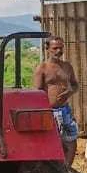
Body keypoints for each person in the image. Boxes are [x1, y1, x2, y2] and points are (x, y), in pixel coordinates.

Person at [33, 36, 79, 166]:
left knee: (71, 140)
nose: (59, 51)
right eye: (55, 48)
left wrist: (69, 92)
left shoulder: (67, 67)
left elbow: (75, 85)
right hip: (49, 112)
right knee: (52, 143)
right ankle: (53, 171)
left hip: (65, 110)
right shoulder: (42, 68)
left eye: (61, 48)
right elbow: (37, 93)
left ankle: (67, 170)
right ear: (47, 49)